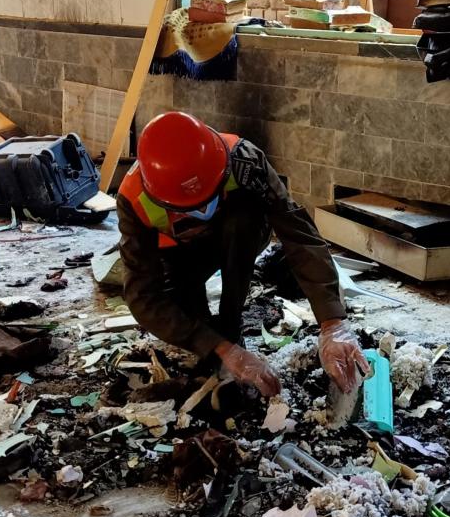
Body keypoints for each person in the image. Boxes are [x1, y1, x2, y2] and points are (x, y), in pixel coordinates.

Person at [116, 112, 369, 398]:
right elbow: (142, 294)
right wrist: (221, 347)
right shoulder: (132, 197)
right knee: (191, 323)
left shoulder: (244, 160)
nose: (201, 209)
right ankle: (219, 341)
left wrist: (332, 321)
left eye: (209, 196)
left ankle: (231, 322)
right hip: (177, 257)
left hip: (238, 237)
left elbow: (298, 234)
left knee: (243, 221)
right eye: (189, 207)